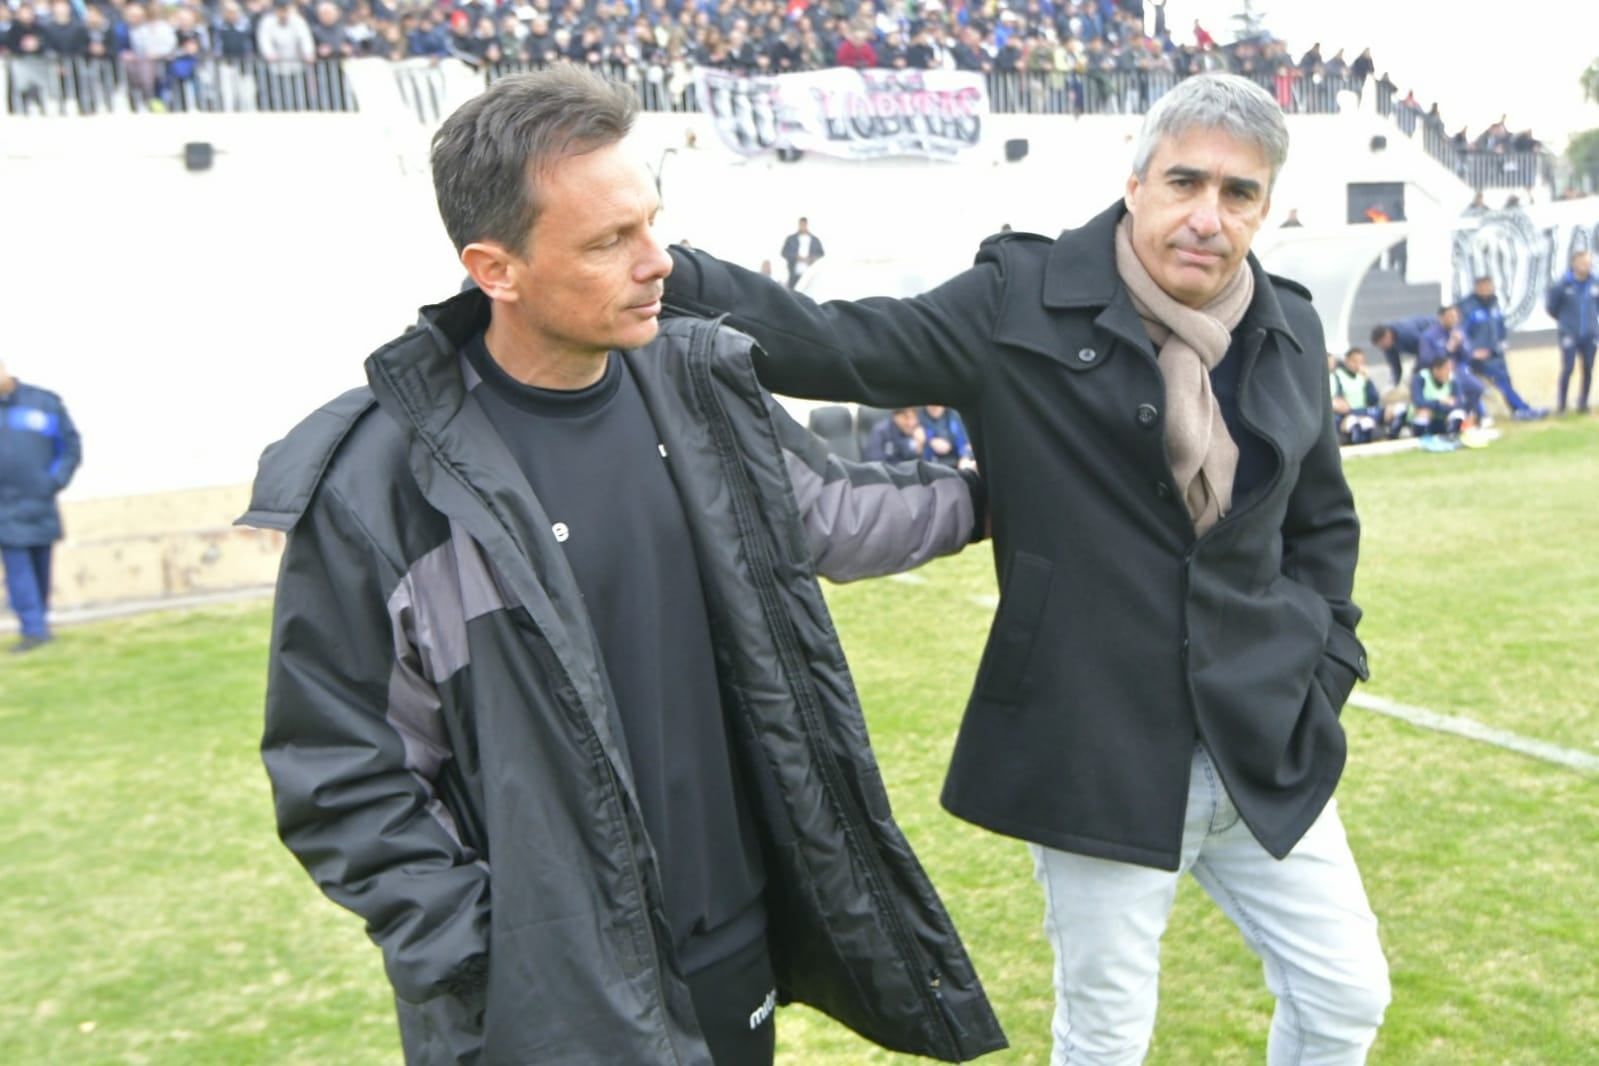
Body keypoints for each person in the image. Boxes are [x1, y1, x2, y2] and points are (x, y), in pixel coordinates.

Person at [240, 67, 1004, 1066]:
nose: (660, 263)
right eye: (610, 241)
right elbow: (344, 771)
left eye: (653, 224)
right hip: (550, 1004)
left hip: (733, 952)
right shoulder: (382, 484)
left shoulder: (694, 388)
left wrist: (1014, 493)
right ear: (495, 268)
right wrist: (490, 956)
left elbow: (838, 517)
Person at [664, 72, 1391, 1065]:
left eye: (1240, 194)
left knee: (1348, 994)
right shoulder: (1018, 302)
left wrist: (1322, 668)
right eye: (1186, 182)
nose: (1208, 217)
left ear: (1266, 206)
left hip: (1267, 742)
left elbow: (1322, 525)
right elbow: (838, 346)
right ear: (1135, 183)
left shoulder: (1289, 326)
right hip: (1100, 751)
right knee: (1105, 1036)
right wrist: (660, 264)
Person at [0, 360, 81, 653]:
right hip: (4, 508)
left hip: (40, 501)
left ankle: (40, 623)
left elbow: (70, 446)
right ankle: (33, 629)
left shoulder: (43, 403)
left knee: (41, 565)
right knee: (18, 567)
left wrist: (53, 482)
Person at [1458, 275, 1548, 421]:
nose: (1486, 289)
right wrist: (1472, 352)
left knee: (1505, 381)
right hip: (1477, 358)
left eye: (1489, 286)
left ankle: (1518, 410)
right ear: (1477, 287)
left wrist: (1502, 342)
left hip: (1496, 354)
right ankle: (1522, 409)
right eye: (1483, 286)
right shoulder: (1467, 307)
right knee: (1499, 379)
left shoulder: (1495, 304)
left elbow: (1500, 328)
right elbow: (1461, 333)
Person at [1545, 249, 1598, 414]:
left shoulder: (1595, 283)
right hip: (1569, 334)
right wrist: (1566, 322)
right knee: (1568, 368)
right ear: (1574, 264)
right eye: (1583, 263)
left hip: (1590, 334)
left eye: (1589, 263)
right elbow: (1552, 308)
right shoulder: (1562, 285)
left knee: (1588, 368)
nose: (1586, 266)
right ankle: (1562, 405)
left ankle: (1582, 403)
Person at [1408, 355, 1468, 450]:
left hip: (1442, 417)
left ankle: (1451, 437)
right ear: (1436, 370)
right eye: (1446, 369)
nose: (1449, 372)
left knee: (1459, 413)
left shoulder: (1453, 380)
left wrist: (1443, 407)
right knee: (1424, 411)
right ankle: (1423, 439)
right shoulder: (1421, 378)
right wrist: (1439, 402)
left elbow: (1458, 403)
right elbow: (1418, 401)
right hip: (1424, 417)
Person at [1329, 348, 1387, 444]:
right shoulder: (1338, 375)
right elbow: (1339, 400)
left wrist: (1368, 380)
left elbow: (1374, 399)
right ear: (1346, 361)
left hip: (1364, 412)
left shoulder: (1363, 377)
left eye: (1361, 362)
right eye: (1354, 361)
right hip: (1347, 414)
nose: (1358, 365)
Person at [1369, 313, 1435, 388]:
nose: (1382, 349)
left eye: (1382, 345)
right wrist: (1395, 384)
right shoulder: (1387, 346)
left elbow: (1425, 351)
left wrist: (1416, 370)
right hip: (1422, 345)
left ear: (1387, 335)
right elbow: (1395, 366)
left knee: (1427, 367)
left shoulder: (1407, 333)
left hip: (1432, 332)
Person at [920, 404, 978, 469]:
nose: (934, 407)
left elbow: (966, 444)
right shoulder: (919, 419)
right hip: (930, 464)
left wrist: (965, 457)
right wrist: (928, 441)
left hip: (956, 462)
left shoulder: (954, 415)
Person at [864, 404, 928, 461]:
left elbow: (922, 466)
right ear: (895, 416)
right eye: (905, 417)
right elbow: (874, 463)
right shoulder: (880, 431)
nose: (910, 423)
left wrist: (920, 446)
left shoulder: (918, 432)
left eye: (913, 417)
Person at [780, 216, 824, 289]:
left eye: (804, 224)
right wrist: (796, 257)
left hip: (810, 274)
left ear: (807, 225)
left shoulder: (815, 240)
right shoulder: (791, 239)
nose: (803, 226)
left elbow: (821, 255)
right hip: (794, 273)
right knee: (793, 293)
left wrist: (812, 258)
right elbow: (784, 252)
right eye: (801, 224)